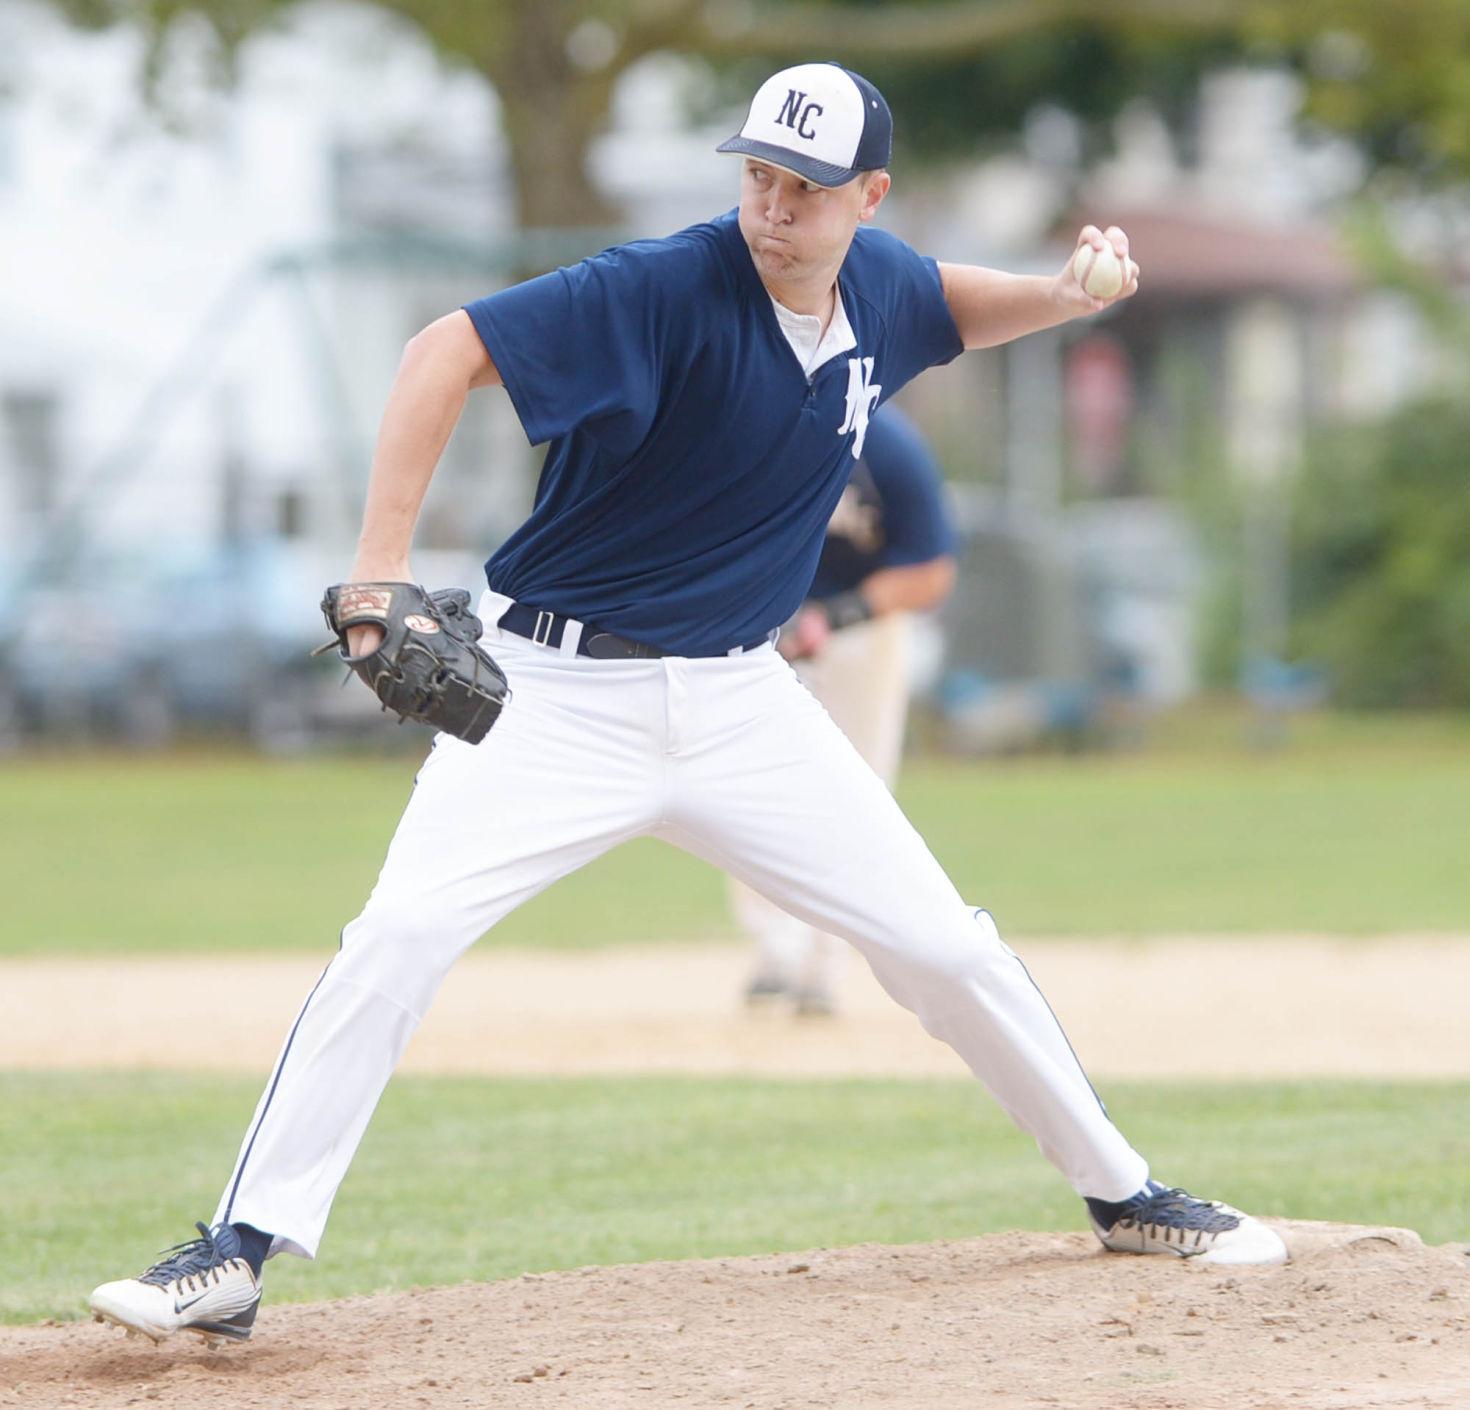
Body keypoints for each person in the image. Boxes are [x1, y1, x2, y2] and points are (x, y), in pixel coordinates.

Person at [89, 60, 1286, 1346]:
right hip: (551, 695)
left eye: (809, 188)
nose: (775, 205)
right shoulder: (656, 288)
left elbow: (952, 305)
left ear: (867, 197)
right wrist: (380, 572)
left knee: (943, 949)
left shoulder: (877, 283)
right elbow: (442, 351)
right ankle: (236, 1253)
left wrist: (1058, 296)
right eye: (760, 175)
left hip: (740, 704)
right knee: (398, 940)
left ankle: (1125, 1194)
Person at [735, 403, 956, 1016]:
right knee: (748, 788)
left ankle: (823, 964)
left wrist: (835, 616)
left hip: (862, 632)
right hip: (758, 629)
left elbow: (931, 571)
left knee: (858, 789)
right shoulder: (755, 428)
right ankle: (775, 950)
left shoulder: (890, 449)